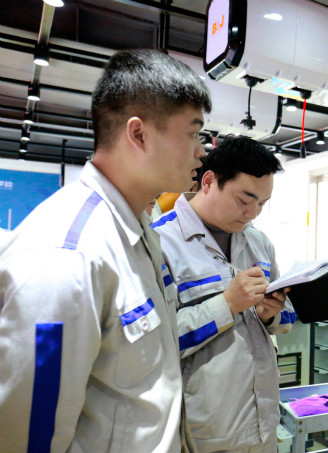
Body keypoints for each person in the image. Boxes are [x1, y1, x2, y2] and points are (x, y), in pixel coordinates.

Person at [0, 49, 212, 452]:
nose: (201, 151)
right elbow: (29, 439)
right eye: (193, 133)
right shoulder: (69, 257)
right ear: (139, 134)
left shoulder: (137, 231)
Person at [152, 135, 295, 453]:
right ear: (208, 182)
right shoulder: (160, 243)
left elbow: (287, 318)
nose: (253, 213)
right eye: (244, 200)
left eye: (262, 203)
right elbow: (154, 343)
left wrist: (269, 314)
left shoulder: (259, 242)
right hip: (204, 433)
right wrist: (227, 304)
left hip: (263, 422)